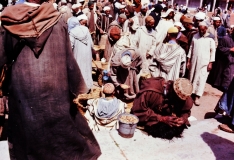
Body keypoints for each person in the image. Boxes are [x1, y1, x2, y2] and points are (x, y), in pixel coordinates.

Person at [0, 1, 101, 159]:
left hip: (23, 88)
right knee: (58, 134)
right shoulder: (56, 20)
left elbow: (2, 57)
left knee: (26, 133)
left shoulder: (10, 21)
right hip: (55, 85)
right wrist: (77, 87)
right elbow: (69, 59)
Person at [187, 22, 216, 106]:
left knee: (201, 79)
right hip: (194, 61)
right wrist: (188, 60)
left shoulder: (210, 38)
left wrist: (210, 63)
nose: (201, 31)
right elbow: (191, 48)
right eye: (200, 29)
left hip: (204, 63)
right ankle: (190, 94)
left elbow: (213, 51)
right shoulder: (195, 36)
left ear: (206, 29)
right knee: (192, 77)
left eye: (203, 30)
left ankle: (197, 97)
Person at [69, 14, 94, 91]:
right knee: (86, 69)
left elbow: (70, 46)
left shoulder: (72, 32)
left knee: (79, 69)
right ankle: (88, 86)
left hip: (77, 54)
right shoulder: (87, 30)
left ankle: (80, 87)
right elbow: (92, 44)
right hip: (87, 54)